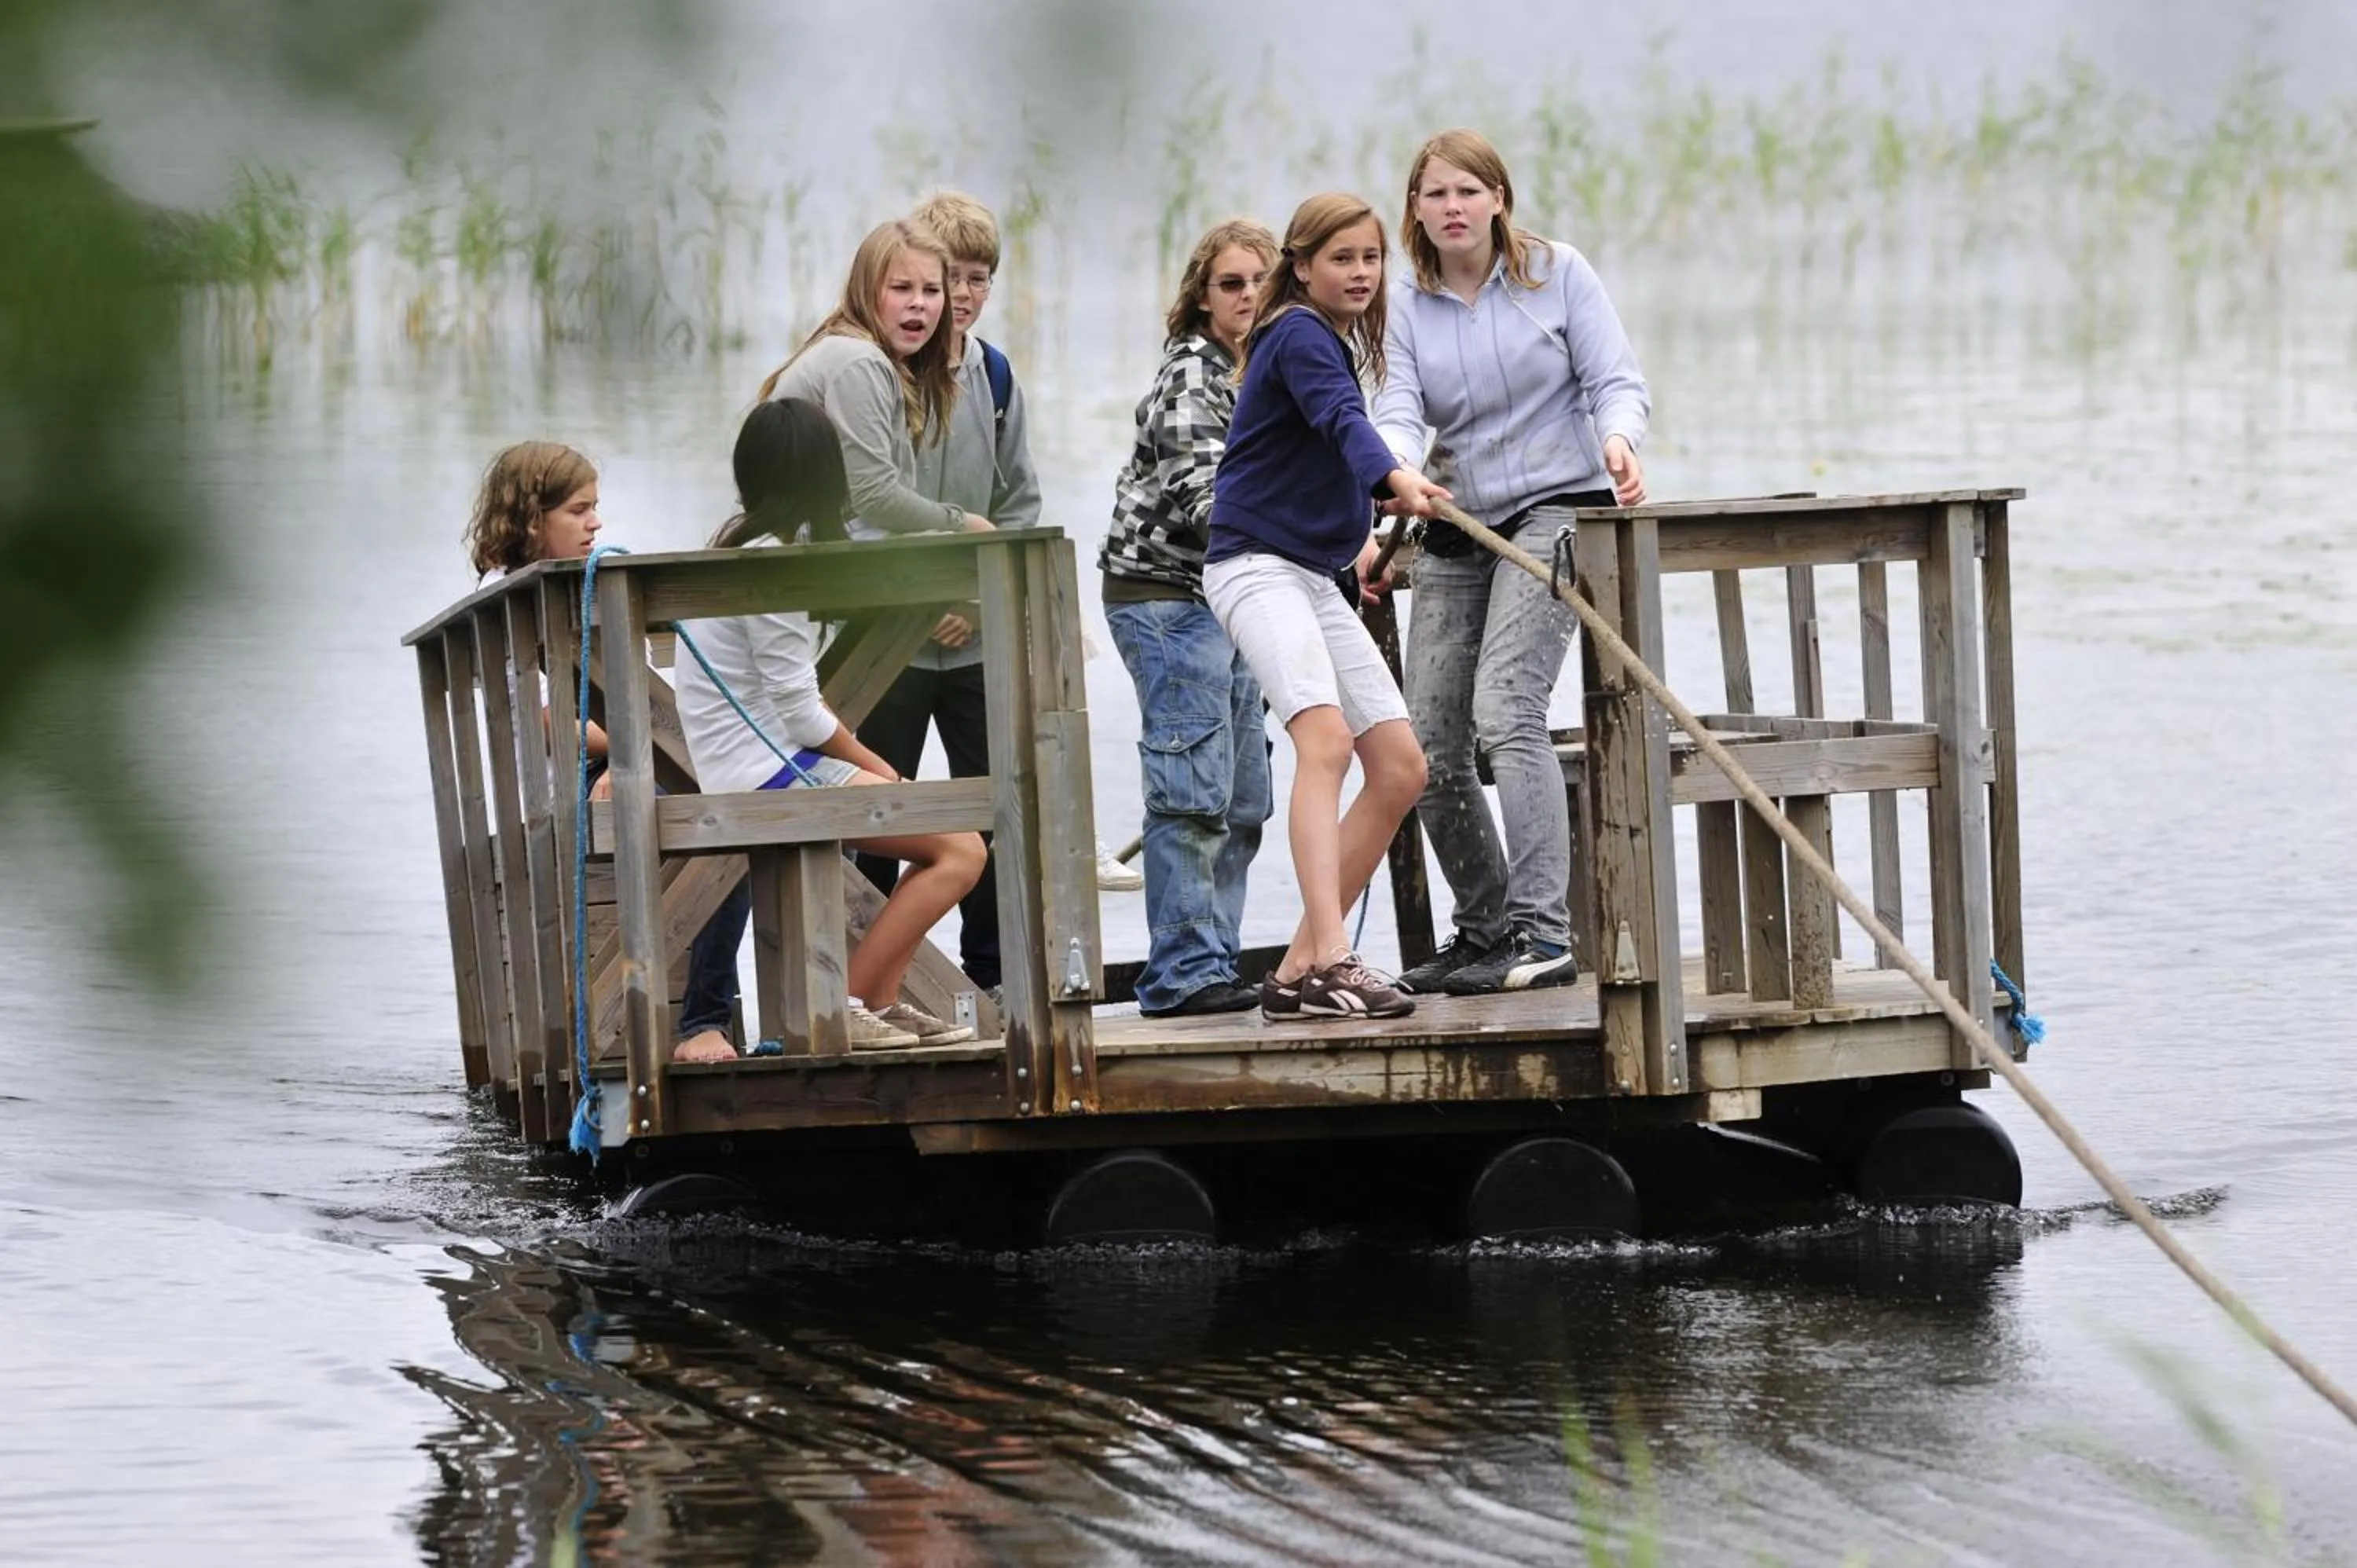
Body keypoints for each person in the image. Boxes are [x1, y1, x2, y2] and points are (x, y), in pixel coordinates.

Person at [1373, 128, 1650, 997]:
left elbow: (1617, 381)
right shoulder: (1405, 302)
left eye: (1468, 191)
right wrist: (1395, 472)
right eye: (1435, 194)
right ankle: (1484, 930)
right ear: (1414, 209)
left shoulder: (1557, 272)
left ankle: (1543, 931)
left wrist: (1619, 441)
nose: (1453, 208)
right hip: (1455, 515)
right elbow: (1397, 406)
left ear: (1499, 198)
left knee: (1506, 706)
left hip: (1559, 505)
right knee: (1426, 737)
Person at [671, 399, 989, 1048]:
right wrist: (880, 769)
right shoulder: (775, 567)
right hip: (768, 772)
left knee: (951, 842)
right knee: (961, 848)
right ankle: (850, 1002)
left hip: (762, 763)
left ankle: (877, 999)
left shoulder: (743, 546)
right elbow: (799, 711)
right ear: (826, 477)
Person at [1203, 193, 1451, 1021]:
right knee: (1326, 741)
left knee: (1401, 765)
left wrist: (1369, 522)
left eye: (1371, 259)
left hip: (1311, 572)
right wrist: (1392, 479)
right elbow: (1345, 423)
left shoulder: (1328, 342)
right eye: (1342, 258)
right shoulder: (1299, 332)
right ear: (1302, 266)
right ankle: (1337, 958)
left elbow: (1323, 444)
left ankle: (1298, 968)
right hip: (1253, 566)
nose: (1360, 273)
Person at [753, 217, 1008, 996]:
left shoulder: (865, 362)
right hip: (796, 595)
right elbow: (871, 496)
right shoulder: (860, 364)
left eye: (933, 290)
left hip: (803, 598)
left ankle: (858, 990)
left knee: (870, 803)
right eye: (902, 288)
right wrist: (964, 529)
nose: (923, 305)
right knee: (891, 804)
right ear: (867, 289)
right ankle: (856, 995)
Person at [463, 441, 742, 1064]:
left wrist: (635, 755)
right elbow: (540, 723)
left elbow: (636, 696)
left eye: (597, 508)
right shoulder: (503, 597)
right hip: (561, 782)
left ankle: (829, 1006)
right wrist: (628, 755)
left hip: (625, 758)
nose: (596, 523)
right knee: (728, 821)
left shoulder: (597, 585)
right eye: (580, 510)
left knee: (745, 810)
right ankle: (703, 1020)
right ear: (534, 520)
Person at [1101, 218, 1281, 1017]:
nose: (1246, 297)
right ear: (1201, 298)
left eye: (1259, 283)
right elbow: (1207, 503)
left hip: (1236, 599)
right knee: (1191, 793)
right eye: (1230, 284)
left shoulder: (1263, 372)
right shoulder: (1192, 378)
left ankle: (1215, 961)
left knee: (1243, 799)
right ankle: (1179, 975)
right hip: (1167, 597)